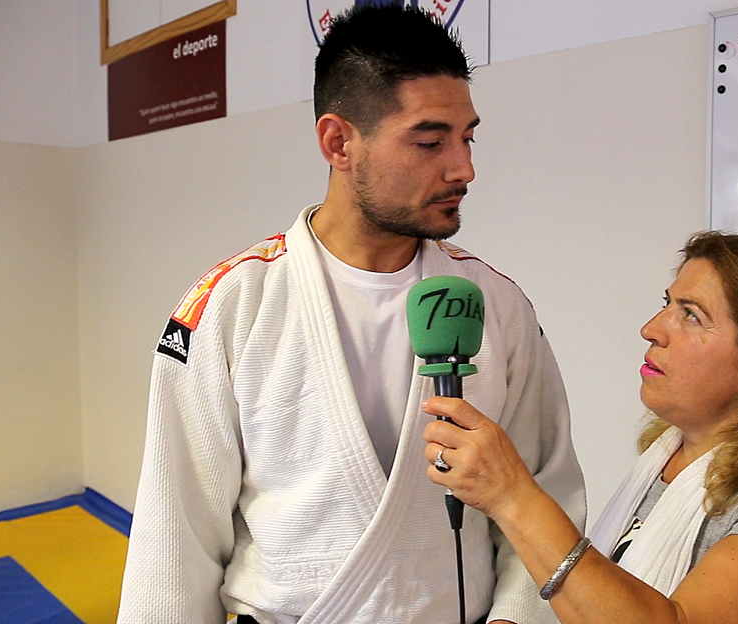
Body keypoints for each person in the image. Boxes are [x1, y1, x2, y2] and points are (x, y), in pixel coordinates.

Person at [117, 6, 585, 624]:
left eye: (467, 138)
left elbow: (544, 495)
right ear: (338, 142)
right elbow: (175, 534)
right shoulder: (233, 305)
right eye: (429, 141)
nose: (463, 168)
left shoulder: (497, 306)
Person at [423, 231, 738, 624]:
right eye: (667, 304)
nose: (652, 328)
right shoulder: (664, 464)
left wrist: (512, 496)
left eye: (692, 315)